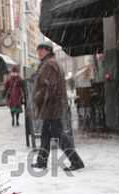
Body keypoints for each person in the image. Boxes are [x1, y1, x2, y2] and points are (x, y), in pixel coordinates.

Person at [31, 41, 85, 172]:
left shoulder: (49, 65)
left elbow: (47, 86)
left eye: (41, 50)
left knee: (60, 137)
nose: (38, 52)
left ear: (48, 51)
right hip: (51, 106)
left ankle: (76, 161)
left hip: (51, 106)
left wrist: (37, 97)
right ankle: (41, 161)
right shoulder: (49, 63)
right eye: (38, 50)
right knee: (46, 135)